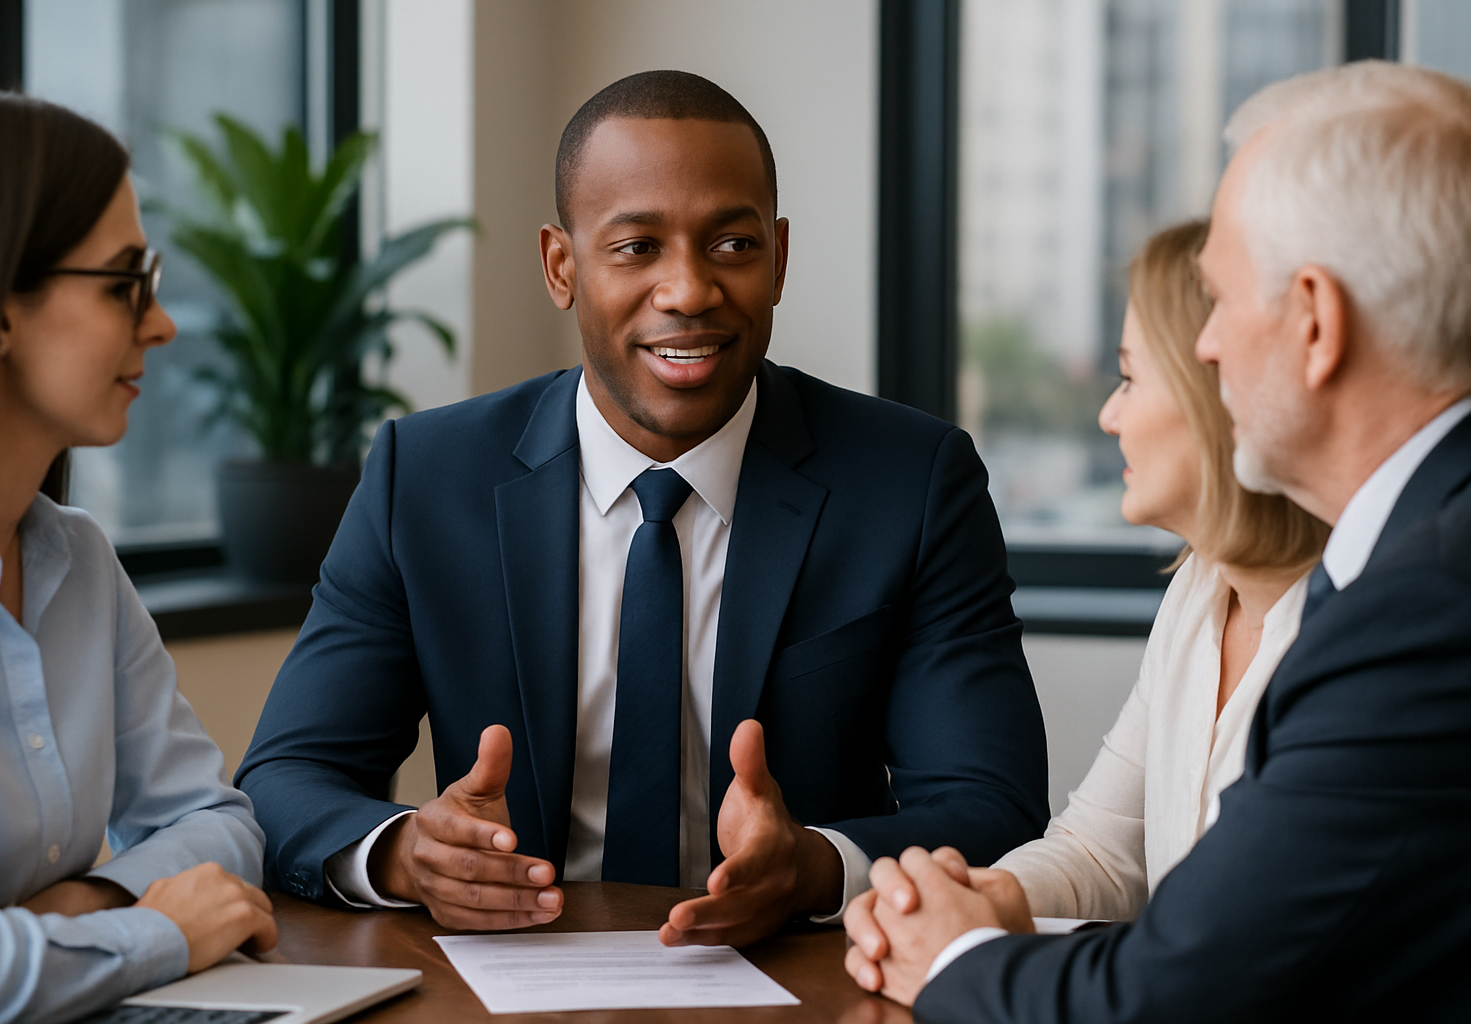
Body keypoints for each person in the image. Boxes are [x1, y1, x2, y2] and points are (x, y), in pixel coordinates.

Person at [237, 70, 1049, 948]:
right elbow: (287, 776)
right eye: (636, 248)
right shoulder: (425, 478)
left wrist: (814, 866)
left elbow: (991, 804)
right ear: (562, 265)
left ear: (778, 257)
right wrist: (405, 855)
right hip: (510, 980)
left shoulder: (911, 482)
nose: (689, 290)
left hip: (803, 980)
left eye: (732, 245)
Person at [844, 60, 1471, 1021]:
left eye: (1220, 300)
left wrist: (953, 955)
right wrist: (984, 905)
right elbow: (1122, 868)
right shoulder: (1391, 560)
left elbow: (1181, 994)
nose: (1209, 346)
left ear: (1314, 322)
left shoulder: (1423, 601)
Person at [0, 91, 277, 1023]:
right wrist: (158, 931)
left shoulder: (77, 559)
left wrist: (80, 908)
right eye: (125, 281)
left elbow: (219, 827)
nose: (160, 323)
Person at [974, 220, 1328, 923]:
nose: (1109, 415)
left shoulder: (1353, 626)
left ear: (1218, 394)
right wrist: (977, 899)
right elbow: (1100, 854)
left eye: (1130, 377)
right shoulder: (1201, 591)